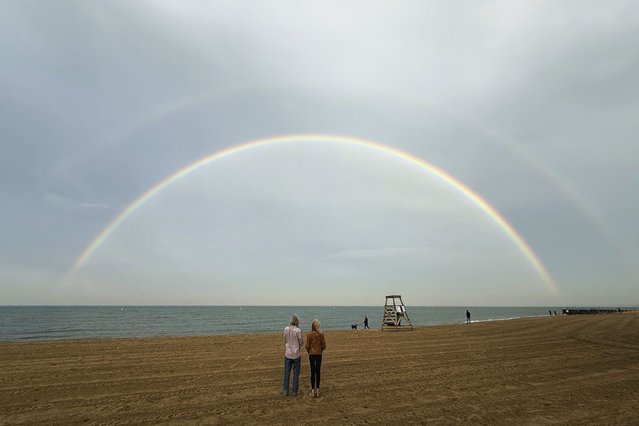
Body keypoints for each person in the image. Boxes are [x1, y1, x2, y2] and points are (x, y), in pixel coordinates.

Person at [305, 319, 326, 398]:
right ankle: (317, 390)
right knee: (318, 371)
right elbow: (324, 345)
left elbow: (307, 346)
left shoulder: (309, 334)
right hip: (318, 354)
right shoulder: (321, 334)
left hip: (311, 354)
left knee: (312, 372)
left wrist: (309, 351)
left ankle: (313, 390)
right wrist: (320, 350)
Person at [283, 314, 303, 397]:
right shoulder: (298, 330)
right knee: (296, 373)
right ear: (297, 321)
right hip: (296, 354)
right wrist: (297, 345)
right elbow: (301, 342)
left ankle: (285, 390)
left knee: (287, 372)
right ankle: (295, 391)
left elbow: (284, 340)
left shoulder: (286, 329)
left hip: (288, 354)